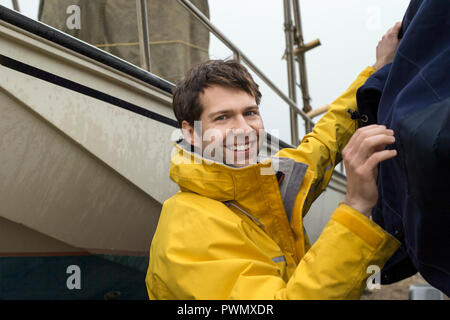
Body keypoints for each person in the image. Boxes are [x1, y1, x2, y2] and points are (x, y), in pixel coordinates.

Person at [146, 23, 402, 299]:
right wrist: (356, 206)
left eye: (250, 113)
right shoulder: (186, 230)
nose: (243, 129)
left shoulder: (268, 181)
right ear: (190, 132)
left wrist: (377, 71)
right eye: (222, 117)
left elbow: (326, 140)